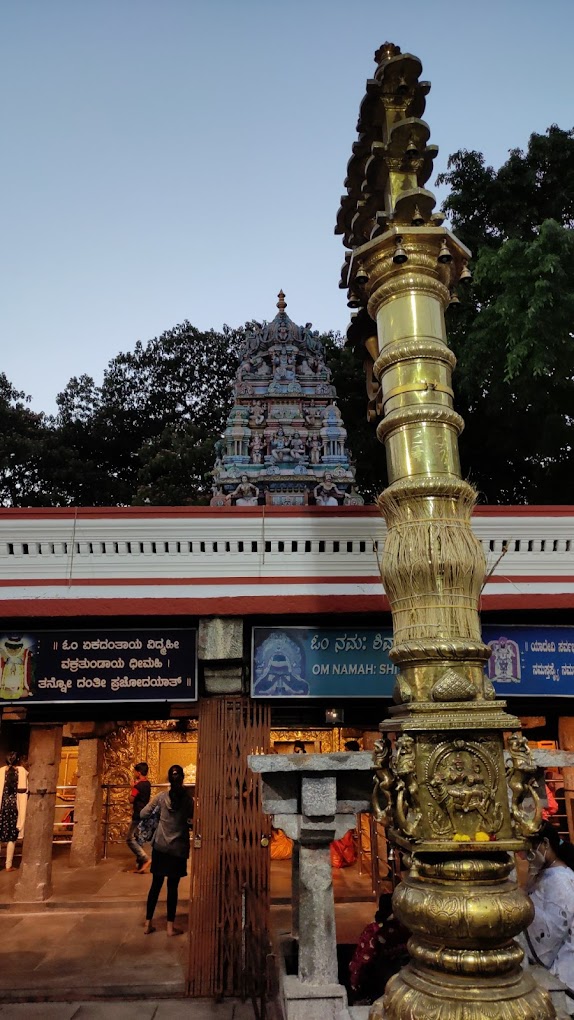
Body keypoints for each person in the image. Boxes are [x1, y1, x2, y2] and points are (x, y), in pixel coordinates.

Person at [520, 821, 574, 1010]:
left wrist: (522, 905)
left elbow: (551, 934)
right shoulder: (544, 874)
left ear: (545, 844)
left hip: (563, 968)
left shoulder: (561, 880)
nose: (527, 856)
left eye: (531, 849)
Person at [140, 764, 193, 936]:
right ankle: (170, 927)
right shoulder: (187, 800)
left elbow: (143, 813)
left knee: (156, 885)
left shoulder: (161, 798)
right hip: (178, 849)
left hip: (161, 847)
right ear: (183, 778)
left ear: (169, 779)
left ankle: (148, 923)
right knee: (173, 887)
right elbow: (192, 820)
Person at [349, 892, 410, 1004]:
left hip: (379, 984)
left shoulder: (373, 931)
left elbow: (361, 962)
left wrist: (356, 987)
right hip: (407, 984)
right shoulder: (411, 929)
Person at [0, 752, 28, 871]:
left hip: (2, 805)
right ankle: (8, 865)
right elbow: (25, 788)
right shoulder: (22, 771)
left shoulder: (1, 771)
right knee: (12, 836)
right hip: (14, 807)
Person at [126, 762, 151, 873]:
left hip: (137, 814)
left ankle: (145, 859)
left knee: (129, 839)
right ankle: (140, 866)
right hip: (145, 813)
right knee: (138, 839)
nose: (134, 773)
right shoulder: (147, 784)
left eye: (135, 771)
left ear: (139, 772)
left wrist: (132, 787)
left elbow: (131, 799)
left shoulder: (138, 786)